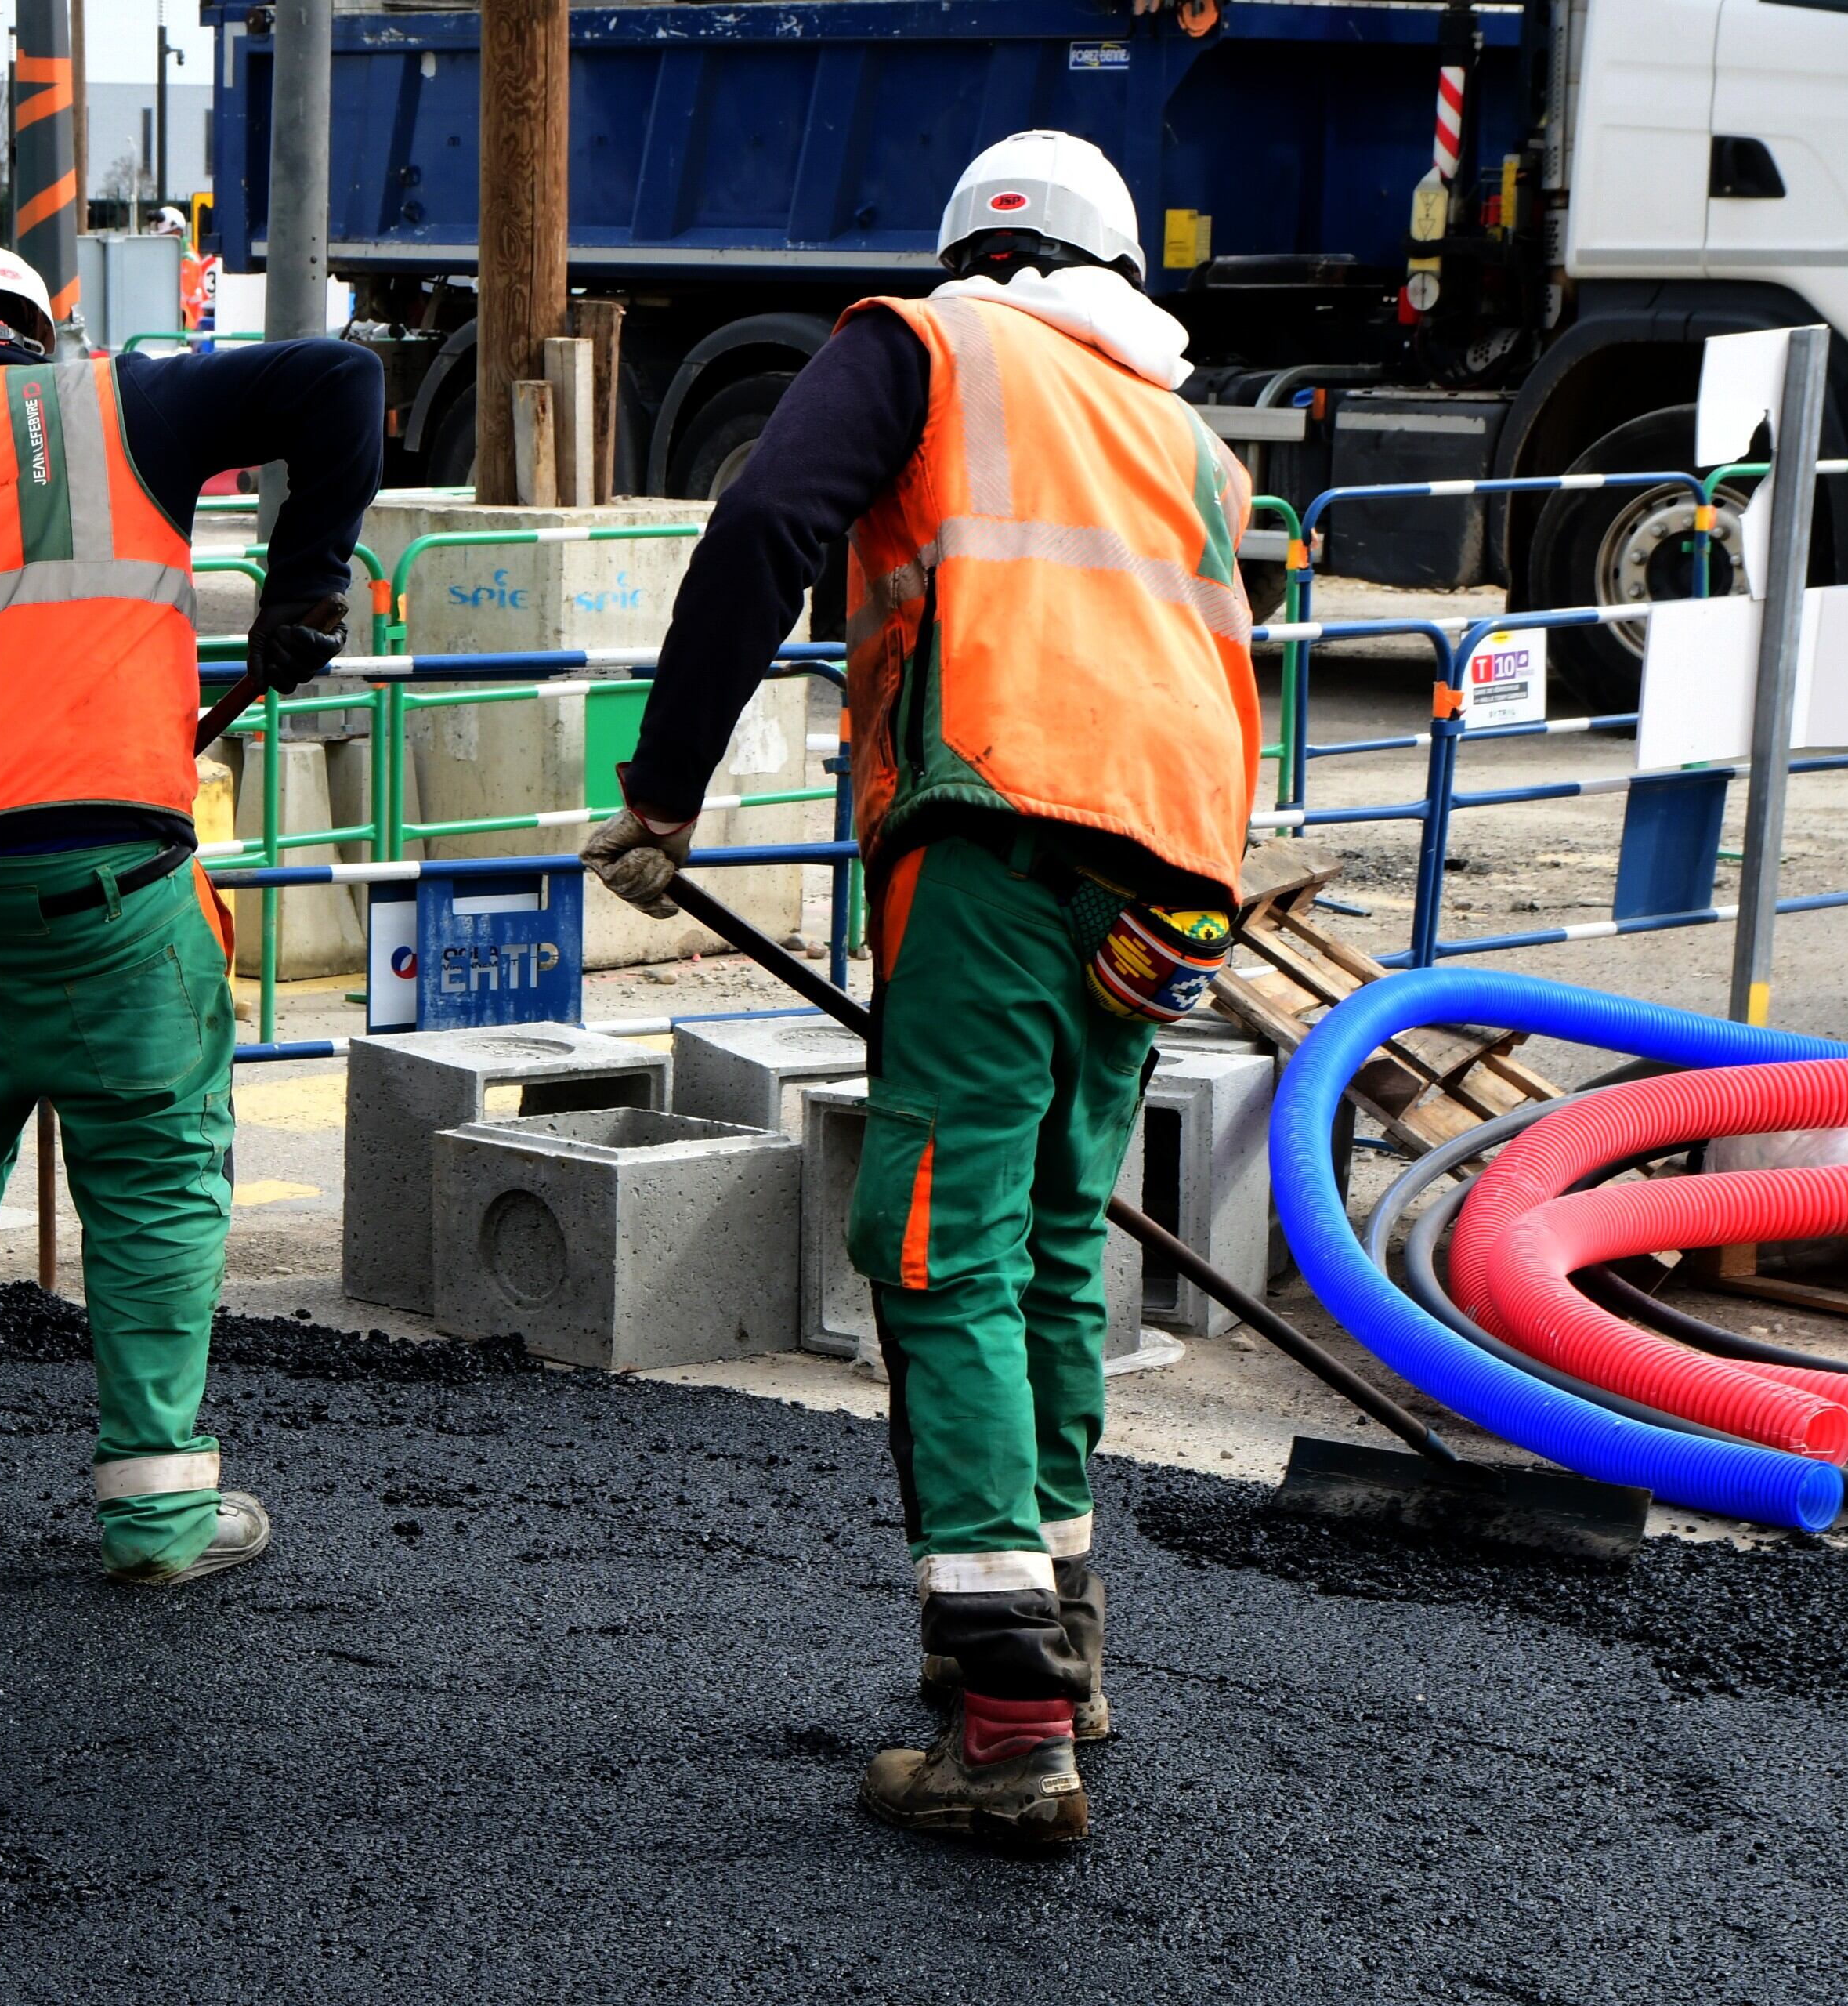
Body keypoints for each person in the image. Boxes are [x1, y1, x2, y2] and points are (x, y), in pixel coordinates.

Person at [580, 131, 1257, 1844]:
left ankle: (1009, 1726)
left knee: (941, 1247)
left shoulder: (925, 345)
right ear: (1118, 270)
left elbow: (766, 521)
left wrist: (663, 795)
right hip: (1169, 882)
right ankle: (1063, 1646)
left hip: (993, 834)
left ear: (971, 253)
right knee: (1048, 1243)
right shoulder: (1182, 432)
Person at [0, 226, 382, 1585]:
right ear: (24, 328)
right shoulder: (113, 405)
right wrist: (305, 586)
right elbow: (343, 382)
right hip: (107, 891)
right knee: (157, 1171)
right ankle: (157, 1512)